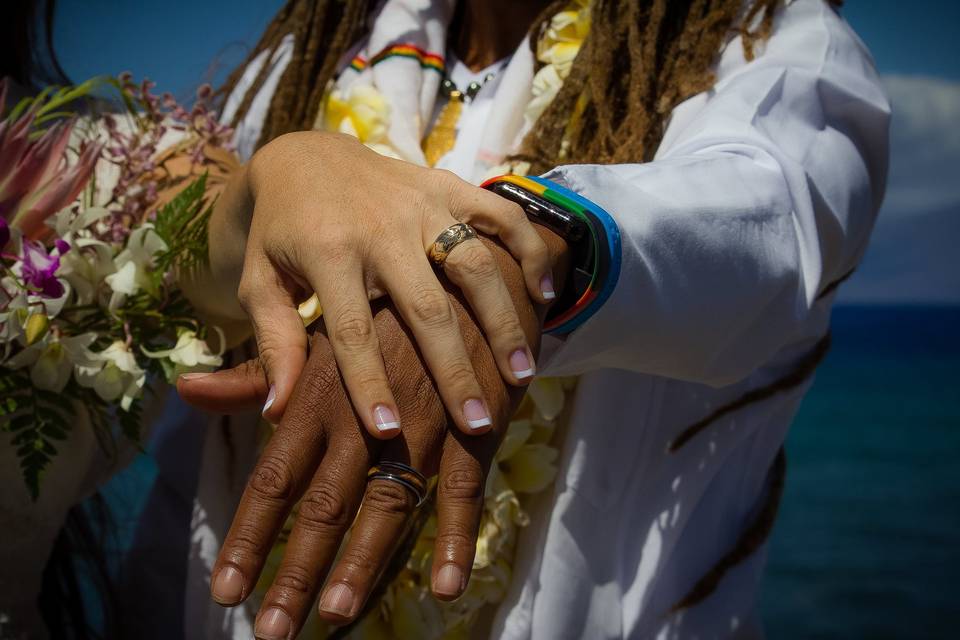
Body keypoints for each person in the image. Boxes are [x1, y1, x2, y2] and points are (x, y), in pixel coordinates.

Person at [150, 0, 890, 638]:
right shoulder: (308, 62)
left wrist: (509, 256)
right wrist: (284, 171)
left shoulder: (766, 42)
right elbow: (175, 240)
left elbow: (763, 224)